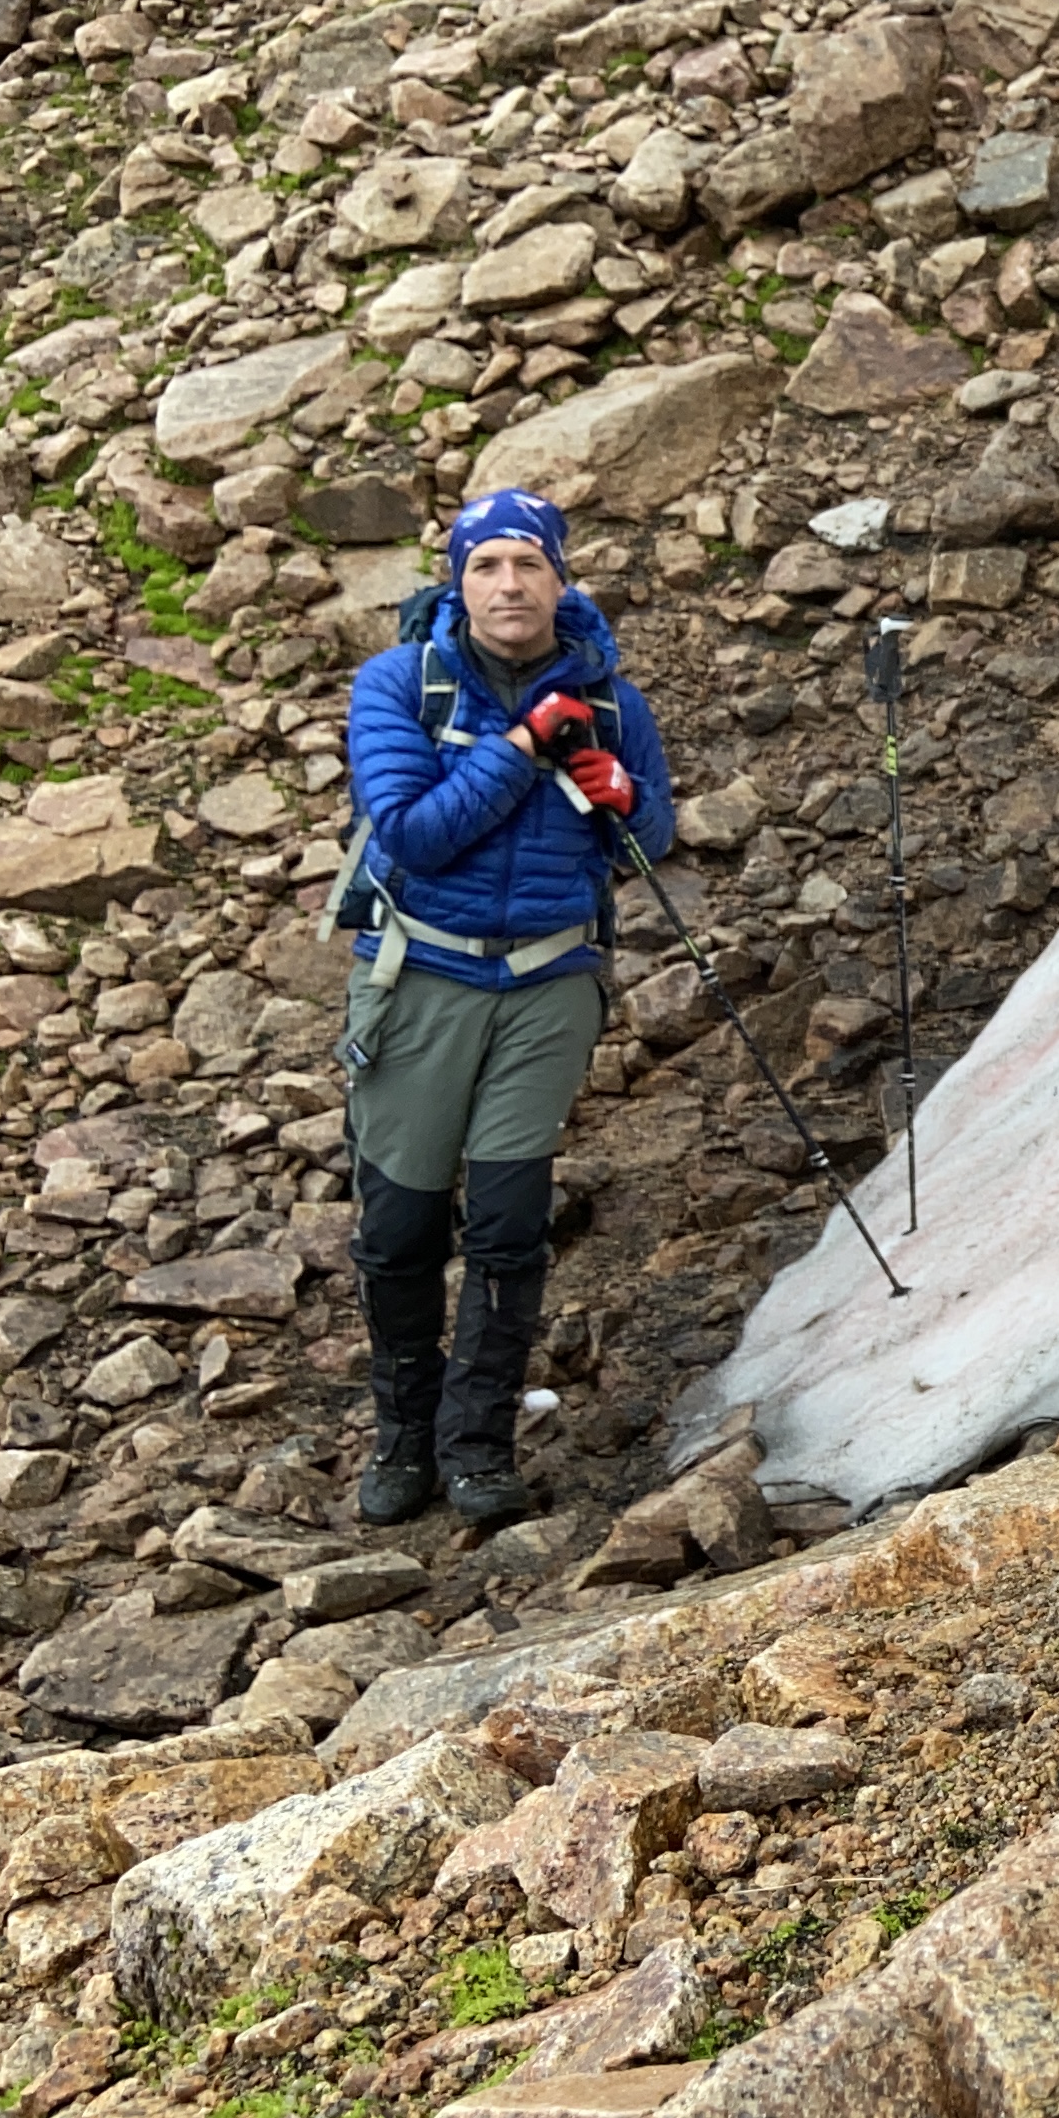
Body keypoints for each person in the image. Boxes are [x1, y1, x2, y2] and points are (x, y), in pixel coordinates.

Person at [334, 488, 674, 1528]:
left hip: (548, 985)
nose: (510, 584)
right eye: (487, 566)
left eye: (529, 563)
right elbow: (410, 835)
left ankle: (477, 1445)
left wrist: (622, 795)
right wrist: (524, 747)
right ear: (458, 581)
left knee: (512, 1224)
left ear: (561, 580)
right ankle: (405, 1435)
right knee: (398, 1227)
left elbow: (648, 840)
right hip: (421, 978)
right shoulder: (400, 684)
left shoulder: (614, 700)